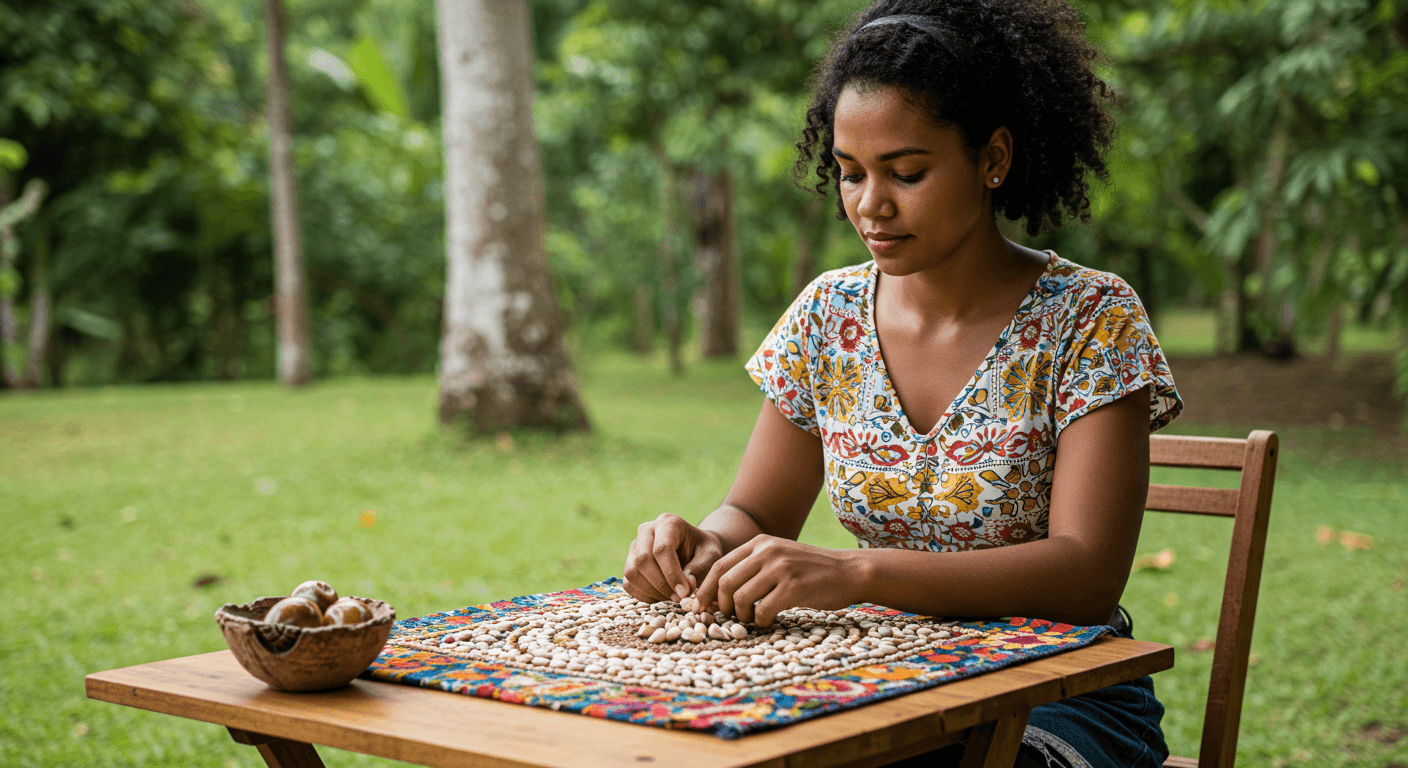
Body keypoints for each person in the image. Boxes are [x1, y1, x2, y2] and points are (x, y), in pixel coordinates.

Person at [622, 1, 1182, 765]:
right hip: (880, 680)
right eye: (851, 173)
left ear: (993, 158)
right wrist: (703, 543)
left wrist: (858, 572)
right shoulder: (828, 316)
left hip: (1058, 696)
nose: (870, 205)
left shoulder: (1089, 319)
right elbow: (756, 511)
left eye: (907, 173)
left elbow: (1086, 575)